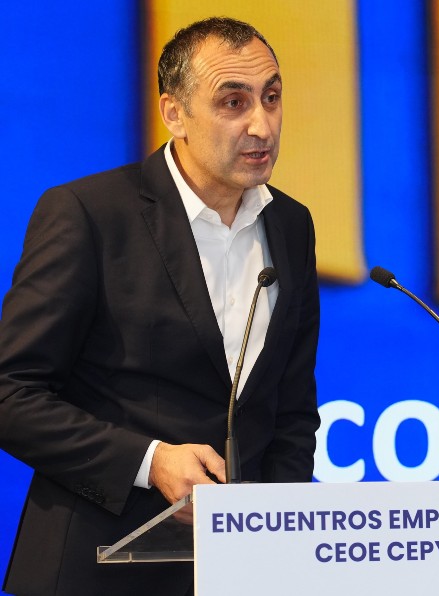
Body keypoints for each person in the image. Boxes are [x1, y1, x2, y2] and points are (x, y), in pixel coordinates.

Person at [0, 17, 320, 595]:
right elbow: (10, 395)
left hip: (238, 572)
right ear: (174, 113)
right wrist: (150, 462)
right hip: (98, 567)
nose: (262, 124)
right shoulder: (90, 214)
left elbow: (291, 412)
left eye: (271, 98)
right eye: (233, 102)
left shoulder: (290, 225)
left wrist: (277, 537)